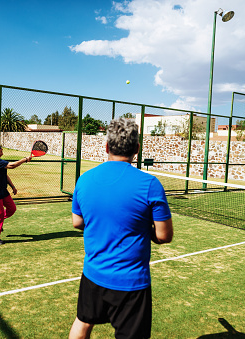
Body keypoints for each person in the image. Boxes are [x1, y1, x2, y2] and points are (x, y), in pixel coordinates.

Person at [69, 118, 173, 339]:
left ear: (106, 147)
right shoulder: (150, 184)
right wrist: (143, 227)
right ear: (136, 149)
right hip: (132, 283)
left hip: (93, 274)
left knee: (83, 322)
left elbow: (77, 223)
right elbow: (164, 236)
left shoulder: (84, 179)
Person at [0, 142, 32, 245]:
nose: (2, 149)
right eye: (0, 148)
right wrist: (25, 159)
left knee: (12, 208)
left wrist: (13, 186)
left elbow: (4, 175)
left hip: (2, 190)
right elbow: (12, 165)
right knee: (0, 213)